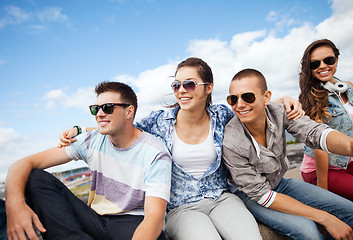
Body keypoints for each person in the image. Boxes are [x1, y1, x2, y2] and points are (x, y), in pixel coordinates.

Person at [59, 57, 303, 240]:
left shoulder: (222, 114)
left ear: (208, 88)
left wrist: (283, 100)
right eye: (176, 85)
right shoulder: (158, 122)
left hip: (221, 199)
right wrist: (80, 130)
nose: (182, 90)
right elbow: (122, 126)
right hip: (180, 208)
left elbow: (252, 107)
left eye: (189, 84)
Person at [5, 81, 172, 240]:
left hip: (133, 223)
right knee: (35, 178)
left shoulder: (155, 152)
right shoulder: (92, 140)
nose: (99, 114)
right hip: (96, 219)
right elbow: (23, 163)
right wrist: (13, 204)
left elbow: (154, 218)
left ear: (129, 111)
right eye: (95, 109)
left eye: (107, 108)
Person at [222, 68, 353, 240]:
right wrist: (325, 218)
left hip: (280, 183)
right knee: (308, 232)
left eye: (248, 97)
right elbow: (262, 195)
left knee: (349, 210)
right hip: (252, 196)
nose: (239, 105)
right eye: (233, 99)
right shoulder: (231, 142)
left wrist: (350, 146)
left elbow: (314, 133)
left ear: (266, 97)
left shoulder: (279, 112)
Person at [298, 39, 353, 201]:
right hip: (322, 171)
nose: (322, 66)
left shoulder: (348, 88)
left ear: (337, 59)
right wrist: (324, 192)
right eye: (315, 64)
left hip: (347, 163)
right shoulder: (312, 99)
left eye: (328, 60)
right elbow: (319, 145)